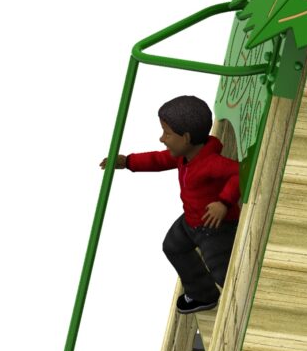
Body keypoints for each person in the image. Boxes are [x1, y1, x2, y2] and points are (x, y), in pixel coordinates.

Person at [103, 95, 241, 314]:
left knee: (222, 272)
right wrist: (128, 161)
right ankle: (203, 295)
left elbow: (239, 173)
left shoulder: (210, 163)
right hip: (191, 221)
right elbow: (157, 160)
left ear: (185, 138)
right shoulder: (182, 157)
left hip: (215, 228)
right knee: (173, 246)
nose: (162, 138)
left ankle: (247, 299)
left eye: (167, 133)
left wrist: (224, 202)